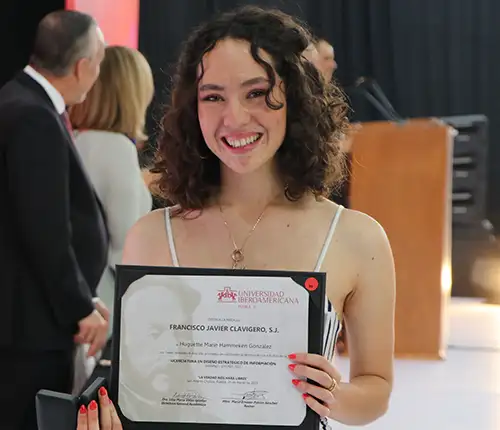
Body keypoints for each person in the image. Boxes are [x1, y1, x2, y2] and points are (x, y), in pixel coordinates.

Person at [77, 5, 395, 429]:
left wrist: (335, 396)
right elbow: (143, 392)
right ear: (194, 108)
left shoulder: (357, 238)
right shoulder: (152, 236)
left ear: (295, 99)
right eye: (213, 96)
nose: (235, 117)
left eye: (257, 93)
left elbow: (375, 388)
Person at [0, 10, 109, 430]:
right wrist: (78, 307)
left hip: (34, 319)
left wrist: (82, 297)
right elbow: (43, 228)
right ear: (83, 66)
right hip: (31, 329)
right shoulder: (33, 115)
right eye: (99, 62)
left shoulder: (22, 101)